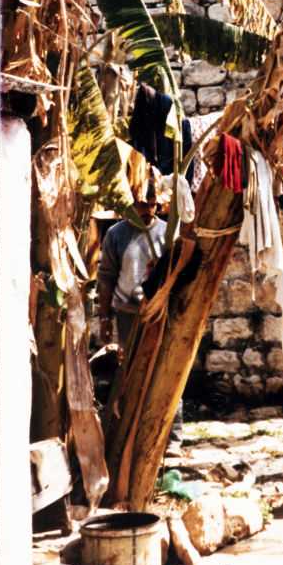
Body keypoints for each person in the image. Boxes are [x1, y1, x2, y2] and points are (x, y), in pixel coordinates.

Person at [97, 179, 184, 458]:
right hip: (126, 313)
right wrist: (105, 318)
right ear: (131, 202)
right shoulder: (115, 234)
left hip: (160, 311)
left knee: (165, 369)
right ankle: (130, 437)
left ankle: (172, 441)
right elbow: (106, 278)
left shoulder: (170, 232)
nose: (148, 210)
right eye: (143, 204)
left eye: (153, 204)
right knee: (130, 373)